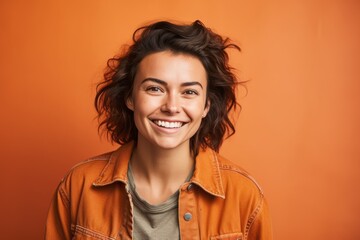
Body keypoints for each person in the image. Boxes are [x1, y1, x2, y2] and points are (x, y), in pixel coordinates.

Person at [45, 20, 272, 240]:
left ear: (206, 106)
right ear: (130, 97)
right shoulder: (78, 186)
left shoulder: (244, 197)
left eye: (189, 92)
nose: (172, 107)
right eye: (155, 88)